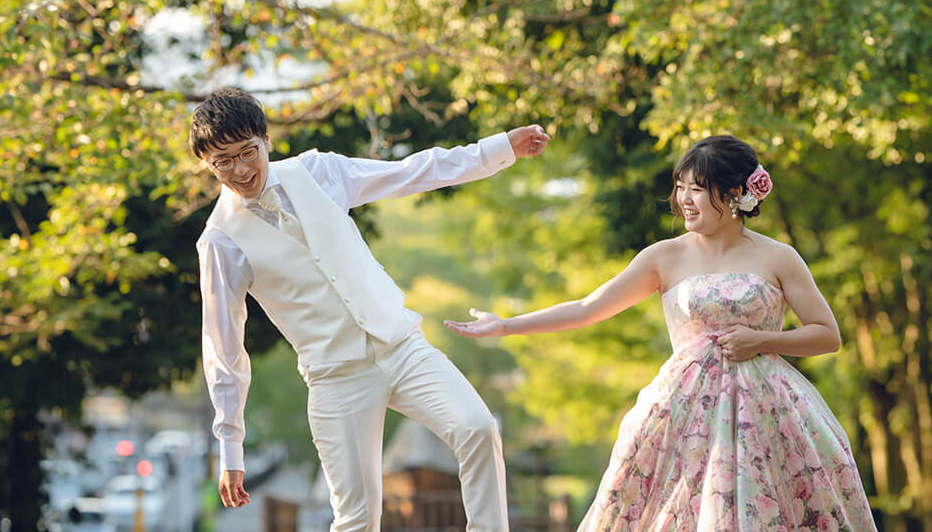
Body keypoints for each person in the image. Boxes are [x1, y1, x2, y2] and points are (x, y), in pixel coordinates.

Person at [446, 134, 879, 532]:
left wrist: (763, 341)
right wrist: (505, 325)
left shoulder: (778, 257)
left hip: (769, 411)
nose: (683, 199)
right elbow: (587, 308)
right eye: (681, 186)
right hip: (681, 414)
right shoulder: (664, 257)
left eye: (696, 188)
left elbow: (826, 335)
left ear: (733, 194)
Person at [190, 87, 551, 531]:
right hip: (336, 377)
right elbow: (223, 350)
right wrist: (230, 446)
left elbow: (412, 172)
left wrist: (497, 149)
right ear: (207, 164)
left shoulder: (319, 171)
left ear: (266, 139)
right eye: (222, 161)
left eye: (247, 152)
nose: (240, 170)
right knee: (358, 520)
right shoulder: (219, 241)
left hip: (401, 346)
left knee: (478, 429)